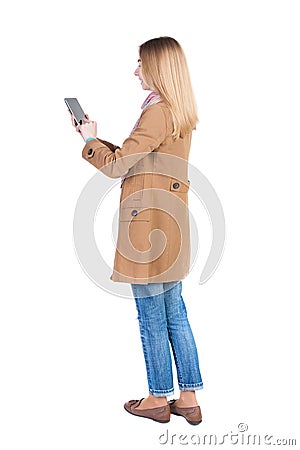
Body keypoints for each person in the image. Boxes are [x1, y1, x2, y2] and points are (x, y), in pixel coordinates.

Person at [69, 36, 203, 425]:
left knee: (150, 315)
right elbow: (136, 158)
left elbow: (116, 166)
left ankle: (157, 399)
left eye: (141, 64)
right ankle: (188, 397)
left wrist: (89, 140)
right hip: (171, 225)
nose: (135, 71)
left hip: (147, 228)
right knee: (174, 312)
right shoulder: (178, 111)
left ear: (158, 69)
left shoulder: (156, 112)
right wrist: (97, 139)